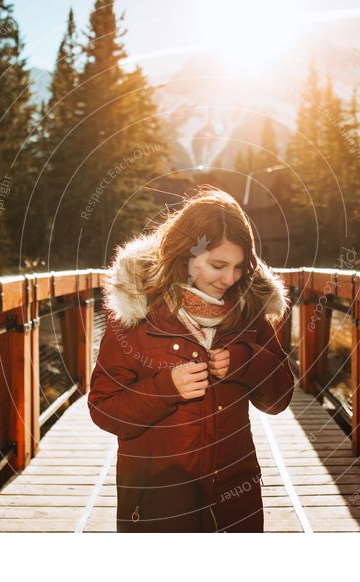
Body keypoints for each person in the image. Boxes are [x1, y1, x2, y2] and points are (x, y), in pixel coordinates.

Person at [88, 188, 295, 532]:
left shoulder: (248, 311)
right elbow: (104, 409)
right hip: (158, 501)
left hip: (234, 497)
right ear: (186, 254)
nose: (229, 279)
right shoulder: (136, 313)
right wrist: (165, 388)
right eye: (218, 265)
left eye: (239, 267)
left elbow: (279, 399)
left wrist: (246, 361)